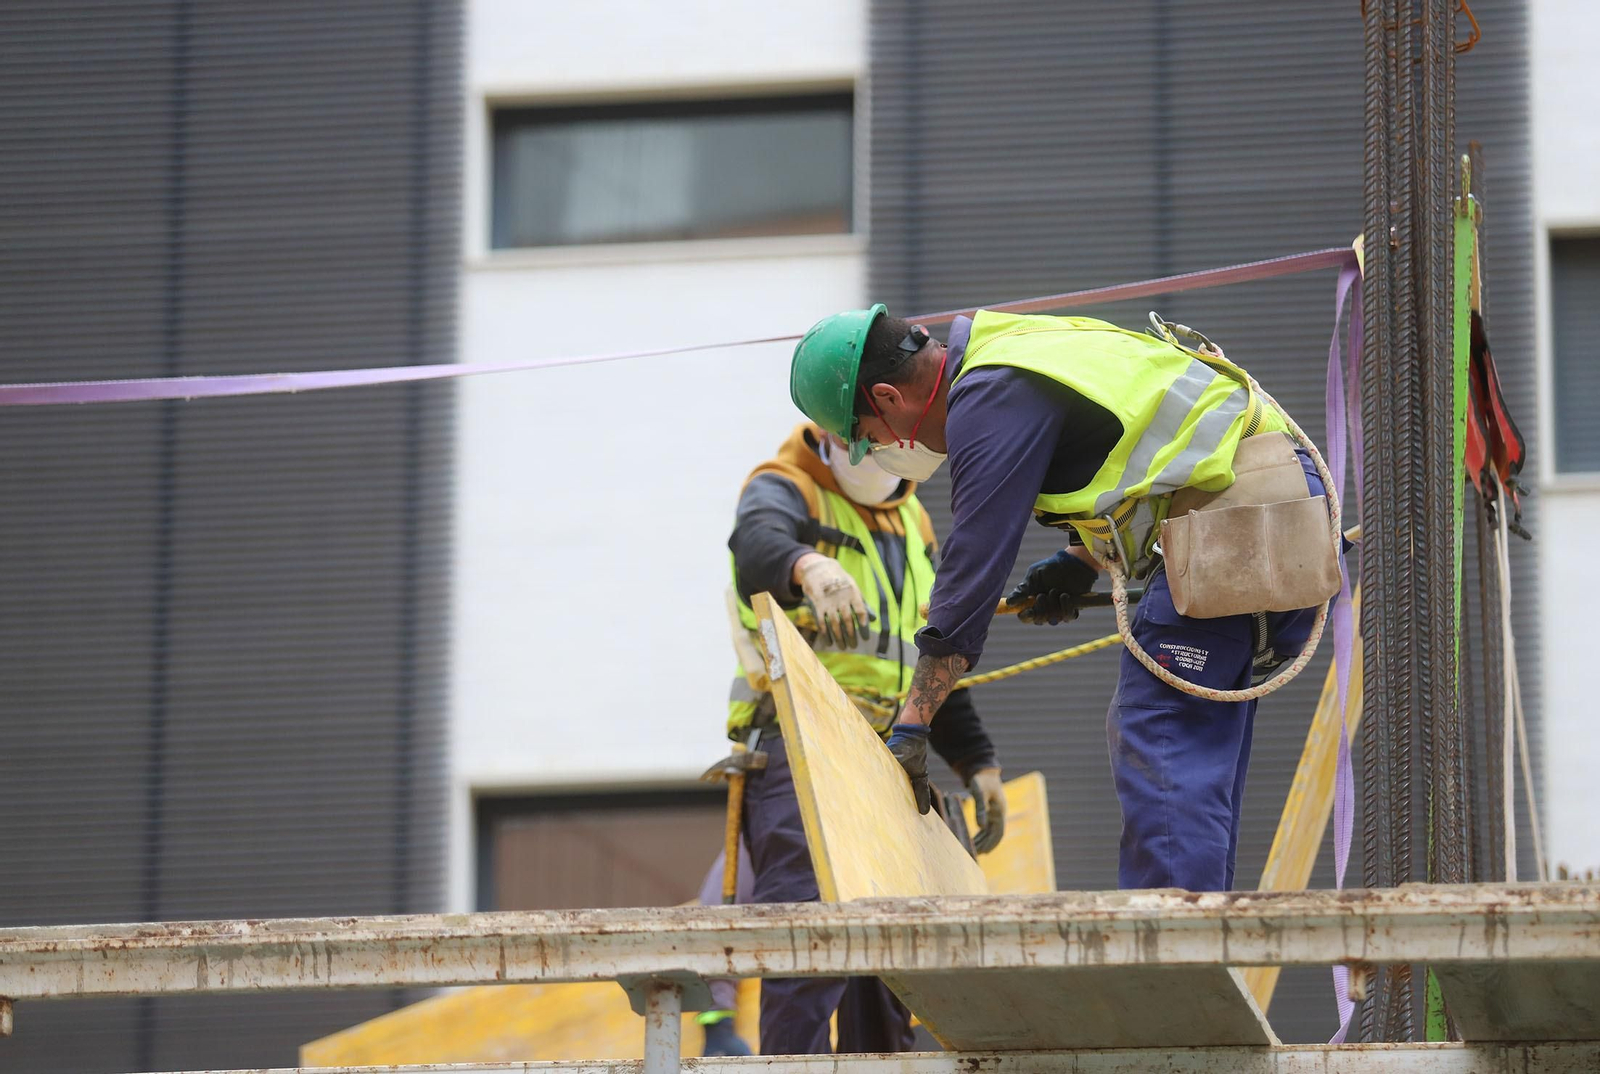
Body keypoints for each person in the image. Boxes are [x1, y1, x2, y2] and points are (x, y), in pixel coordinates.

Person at [788, 305, 1335, 893]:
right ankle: (1201, 935)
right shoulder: (1015, 348)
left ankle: (1174, 950)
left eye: (871, 439)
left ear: (889, 398)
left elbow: (974, 562)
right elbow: (1123, 443)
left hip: (1238, 519)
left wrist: (914, 724)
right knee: (1193, 759)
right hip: (1265, 511)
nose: (886, 452)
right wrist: (1079, 562)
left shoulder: (988, 394)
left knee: (1161, 732)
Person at [725, 421, 1003, 1054]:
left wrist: (976, 761)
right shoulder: (786, 487)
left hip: (886, 756)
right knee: (810, 944)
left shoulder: (913, 524)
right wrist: (808, 563)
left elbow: (928, 653)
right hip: (801, 752)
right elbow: (756, 546)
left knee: (889, 966)